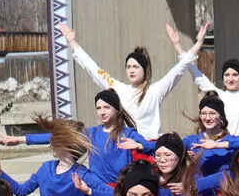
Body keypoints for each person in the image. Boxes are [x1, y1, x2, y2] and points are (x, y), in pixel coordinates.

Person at [0, 88, 153, 196]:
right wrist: (20, 140)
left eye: (106, 107)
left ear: (117, 109)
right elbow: (58, 137)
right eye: (98, 108)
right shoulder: (91, 133)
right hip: (97, 190)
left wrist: (139, 145)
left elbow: (153, 146)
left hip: (121, 190)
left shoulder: (128, 133)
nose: (102, 111)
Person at [57, 21, 208, 138]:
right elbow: (95, 70)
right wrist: (72, 42)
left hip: (149, 147)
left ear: (145, 70)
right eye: (128, 67)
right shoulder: (119, 89)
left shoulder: (156, 90)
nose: (131, 70)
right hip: (126, 147)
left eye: (136, 67)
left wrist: (197, 44)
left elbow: (180, 68)